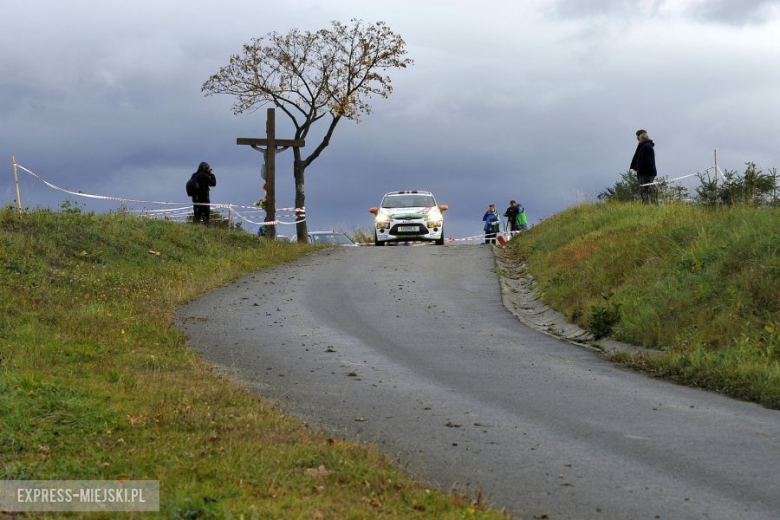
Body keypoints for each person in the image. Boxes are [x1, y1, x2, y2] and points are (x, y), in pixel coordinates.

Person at [630, 129, 657, 204]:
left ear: (642, 137)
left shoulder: (646, 146)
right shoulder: (643, 145)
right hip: (646, 172)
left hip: (646, 173)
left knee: (645, 190)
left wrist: (640, 169)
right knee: (646, 189)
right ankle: (649, 204)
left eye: (638, 136)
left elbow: (646, 161)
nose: (637, 138)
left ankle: (647, 204)